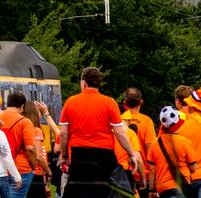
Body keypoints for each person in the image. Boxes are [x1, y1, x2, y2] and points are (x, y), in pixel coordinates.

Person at [58, 67, 140, 198]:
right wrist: (131, 154)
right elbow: (120, 133)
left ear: (83, 82)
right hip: (104, 155)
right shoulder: (109, 103)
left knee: (78, 191)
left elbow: (63, 133)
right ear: (99, 83)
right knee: (105, 191)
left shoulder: (71, 102)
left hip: (80, 153)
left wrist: (64, 156)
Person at [146, 107, 198, 198]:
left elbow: (152, 170)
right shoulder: (185, 142)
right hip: (181, 187)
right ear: (178, 122)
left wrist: (152, 190)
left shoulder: (155, 143)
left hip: (162, 188)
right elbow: (193, 168)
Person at [0, 92, 41, 198]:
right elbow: (30, 149)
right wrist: (33, 166)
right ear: (22, 106)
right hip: (20, 169)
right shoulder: (25, 122)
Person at [20, 102, 53, 198]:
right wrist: (49, 172)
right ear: (34, 113)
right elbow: (38, 156)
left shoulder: (21, 129)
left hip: (23, 173)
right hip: (35, 175)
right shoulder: (36, 130)